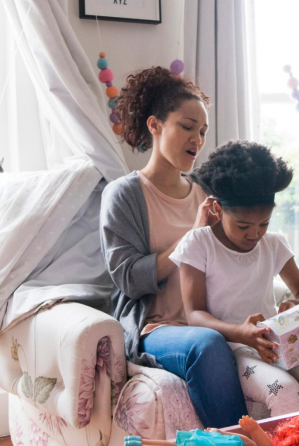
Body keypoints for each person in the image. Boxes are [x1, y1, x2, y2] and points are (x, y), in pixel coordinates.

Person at [100, 66, 246, 428]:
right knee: (207, 345)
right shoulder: (124, 195)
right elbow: (129, 280)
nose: (197, 139)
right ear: (155, 125)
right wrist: (193, 235)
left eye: (202, 131)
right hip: (158, 328)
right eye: (186, 126)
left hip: (212, 317)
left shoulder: (205, 188)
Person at [170, 141, 299, 417]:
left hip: (278, 344)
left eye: (264, 224)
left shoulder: (274, 244)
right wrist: (242, 333)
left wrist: (297, 304)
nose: (254, 234)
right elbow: (195, 314)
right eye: (243, 226)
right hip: (236, 350)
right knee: (283, 389)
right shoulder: (198, 244)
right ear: (217, 209)